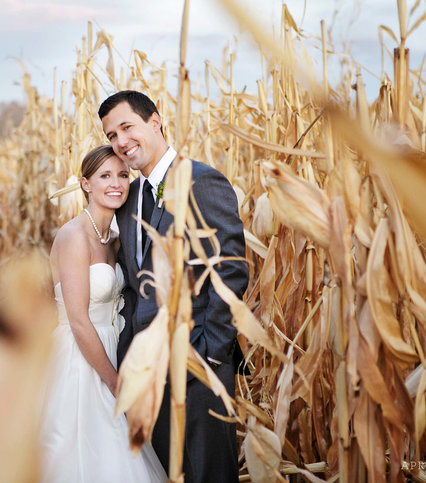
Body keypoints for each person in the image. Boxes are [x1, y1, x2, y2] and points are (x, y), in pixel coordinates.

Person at [99, 90, 249, 483]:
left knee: (208, 473)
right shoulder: (130, 200)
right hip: (148, 370)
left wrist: (210, 353)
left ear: (155, 121)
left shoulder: (200, 181)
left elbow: (230, 271)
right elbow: (135, 287)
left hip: (197, 362)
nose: (120, 141)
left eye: (126, 127)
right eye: (111, 135)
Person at [40, 145, 166, 483]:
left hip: (112, 348)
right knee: (84, 450)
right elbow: (78, 320)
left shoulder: (114, 239)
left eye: (123, 175)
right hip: (80, 359)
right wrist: (112, 380)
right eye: (104, 176)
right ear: (85, 184)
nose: (116, 183)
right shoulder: (73, 236)